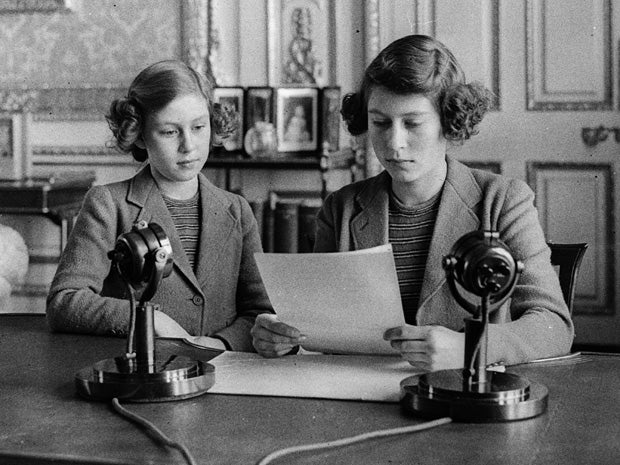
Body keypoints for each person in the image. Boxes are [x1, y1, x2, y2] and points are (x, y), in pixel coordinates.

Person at [251, 35, 573, 369]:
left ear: (450, 122)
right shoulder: (341, 209)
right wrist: (281, 337)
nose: (394, 143)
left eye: (412, 123)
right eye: (379, 123)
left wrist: (470, 348)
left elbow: (553, 325)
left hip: (465, 400)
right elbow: (318, 327)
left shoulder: (504, 201)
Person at [47, 60, 272, 351]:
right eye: (170, 132)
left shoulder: (237, 210)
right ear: (139, 133)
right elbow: (65, 300)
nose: (188, 145)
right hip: (139, 375)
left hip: (222, 374)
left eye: (199, 127)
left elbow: (259, 312)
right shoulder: (108, 204)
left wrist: (219, 343)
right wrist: (147, 320)